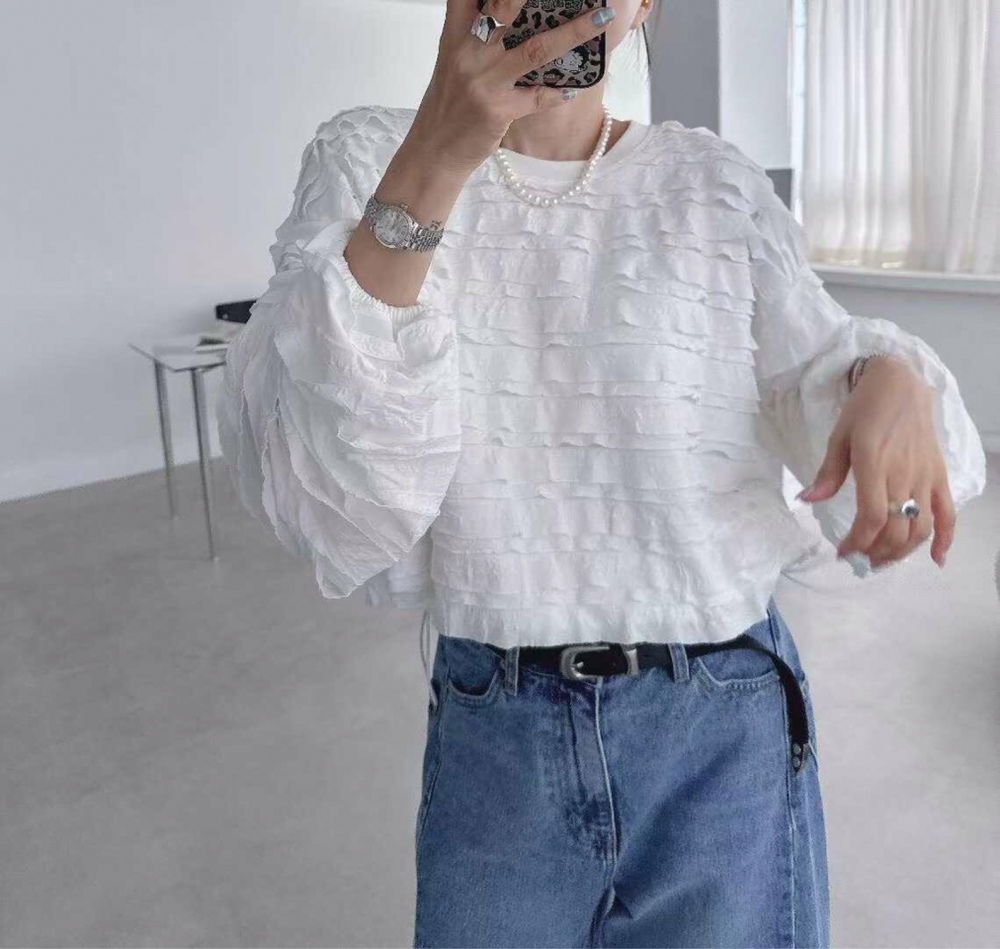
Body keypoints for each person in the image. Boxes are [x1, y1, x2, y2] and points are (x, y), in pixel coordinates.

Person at [215, 1, 988, 946]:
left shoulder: (711, 181)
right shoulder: (368, 157)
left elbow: (817, 374)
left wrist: (887, 378)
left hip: (723, 724)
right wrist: (438, 159)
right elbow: (342, 503)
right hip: (497, 728)